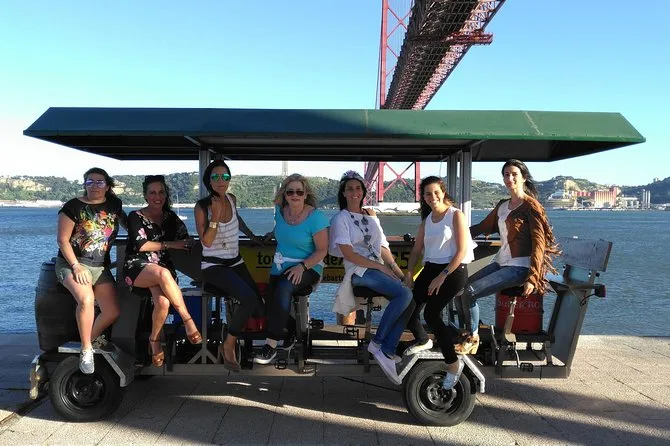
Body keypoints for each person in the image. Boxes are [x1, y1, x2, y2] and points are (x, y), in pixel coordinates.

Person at [455, 159, 560, 354]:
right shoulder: (503, 206)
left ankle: (472, 337)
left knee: (470, 292)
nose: (510, 178)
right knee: (459, 289)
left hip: (520, 267)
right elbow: (481, 227)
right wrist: (451, 236)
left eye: (514, 174)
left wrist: (533, 277)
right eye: (506, 174)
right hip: (501, 262)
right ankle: (465, 332)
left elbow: (539, 243)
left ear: (524, 178)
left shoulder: (531, 206)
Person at [329, 170, 414, 385]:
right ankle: (379, 344)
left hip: (377, 269)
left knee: (410, 296)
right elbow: (348, 254)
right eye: (350, 189)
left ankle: (387, 349)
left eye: (358, 188)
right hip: (358, 272)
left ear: (363, 191)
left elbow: (383, 247)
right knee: (404, 295)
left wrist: (398, 272)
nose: (354, 192)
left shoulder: (371, 215)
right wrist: (379, 267)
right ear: (343, 193)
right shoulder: (340, 218)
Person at [402, 176, 476, 389]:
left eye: (436, 192)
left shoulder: (456, 215)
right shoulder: (427, 221)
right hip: (431, 268)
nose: (432, 197)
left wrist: (442, 276)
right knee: (407, 307)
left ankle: (452, 363)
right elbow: (416, 250)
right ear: (423, 197)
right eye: (427, 194)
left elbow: (461, 251)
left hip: (453, 270)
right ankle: (423, 339)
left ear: (443, 192)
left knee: (431, 313)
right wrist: (409, 273)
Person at [123, 175, 202, 368]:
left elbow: (185, 239)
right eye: (152, 193)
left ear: (166, 195)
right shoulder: (136, 216)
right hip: (137, 267)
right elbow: (141, 245)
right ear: (145, 195)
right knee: (163, 274)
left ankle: (154, 340)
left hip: (162, 267)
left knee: (163, 302)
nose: (157, 197)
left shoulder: (170, 218)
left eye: (161, 192)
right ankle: (188, 320)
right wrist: (170, 244)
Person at [194, 160, 263, 373]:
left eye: (225, 176)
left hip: (236, 261)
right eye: (215, 177)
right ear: (208, 181)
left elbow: (237, 220)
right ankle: (229, 344)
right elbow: (206, 241)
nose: (221, 181)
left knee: (259, 307)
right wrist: (215, 216)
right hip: (214, 266)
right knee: (248, 299)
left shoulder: (232, 199)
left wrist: (252, 236)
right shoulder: (202, 207)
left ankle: (237, 337)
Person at [254, 174, 329, 365]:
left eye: (299, 192)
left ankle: (270, 345)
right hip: (280, 265)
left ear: (306, 194)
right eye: (290, 191)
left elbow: (322, 250)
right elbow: (281, 229)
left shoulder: (316, 218)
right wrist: (271, 234)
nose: (295, 195)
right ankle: (294, 330)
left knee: (284, 287)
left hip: (308, 267)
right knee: (267, 303)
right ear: (285, 194)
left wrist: (302, 267)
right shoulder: (280, 212)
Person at [56, 167, 125, 374]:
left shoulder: (114, 205)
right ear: (85, 184)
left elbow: (127, 223)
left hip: (100, 266)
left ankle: (89, 339)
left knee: (112, 311)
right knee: (86, 300)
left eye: (99, 182)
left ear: (107, 186)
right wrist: (76, 266)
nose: (94, 186)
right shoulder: (73, 207)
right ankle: (86, 350)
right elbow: (62, 240)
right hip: (73, 264)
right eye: (90, 182)